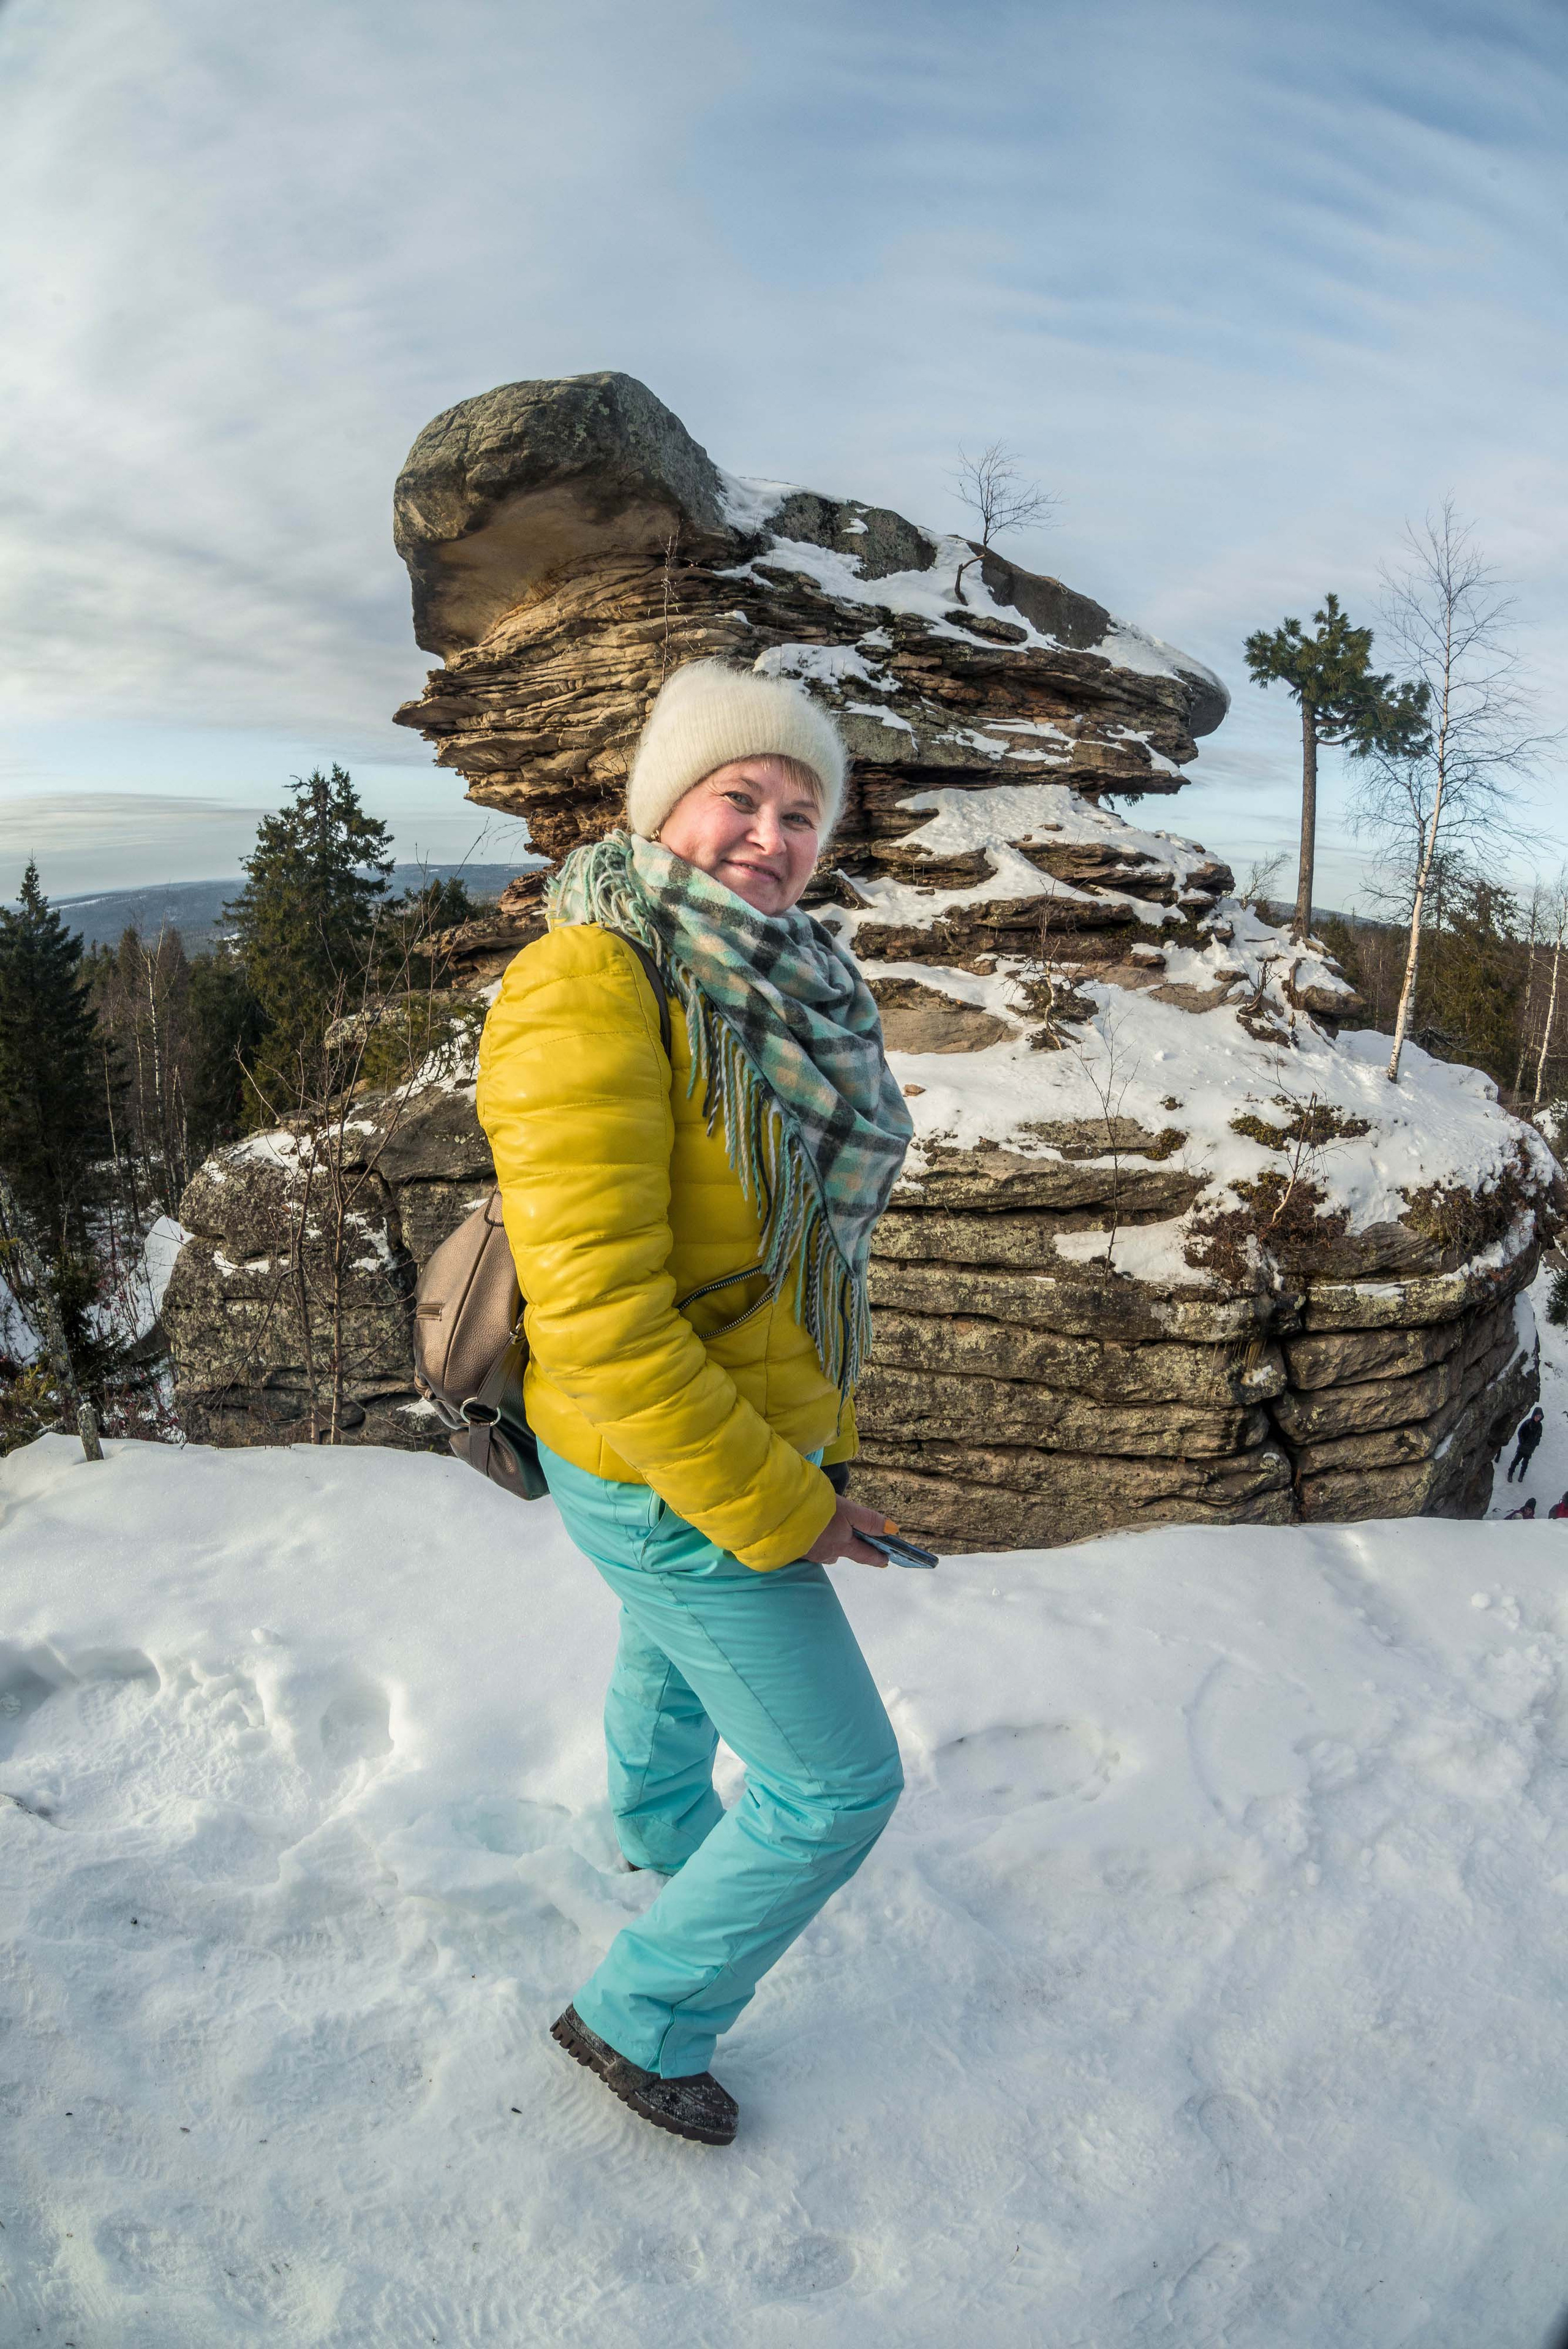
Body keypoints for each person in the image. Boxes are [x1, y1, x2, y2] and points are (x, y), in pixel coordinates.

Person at [476, 659, 914, 2148]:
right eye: (741, 795)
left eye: (801, 813)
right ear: (665, 803)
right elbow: (601, 1318)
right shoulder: (591, 980)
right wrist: (787, 1505)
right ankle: (639, 2014)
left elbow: (789, 1267)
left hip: (720, 1436)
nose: (771, 835)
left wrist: (815, 1448)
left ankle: (661, 1828)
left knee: (667, 1647)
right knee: (837, 1783)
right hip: (658, 1459)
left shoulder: (783, 980)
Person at [1506, 1406, 1544, 1482]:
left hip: (1530, 1449)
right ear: (1534, 1415)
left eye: (1540, 1417)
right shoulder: (1528, 1423)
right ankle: (1510, 1474)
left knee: (1525, 1464)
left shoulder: (1540, 1426)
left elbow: (1539, 1436)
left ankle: (1521, 1476)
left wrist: (1536, 1443)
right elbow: (1520, 1432)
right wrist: (1522, 1441)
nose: (1538, 1418)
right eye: (1537, 1416)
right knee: (1516, 1461)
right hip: (1523, 1447)